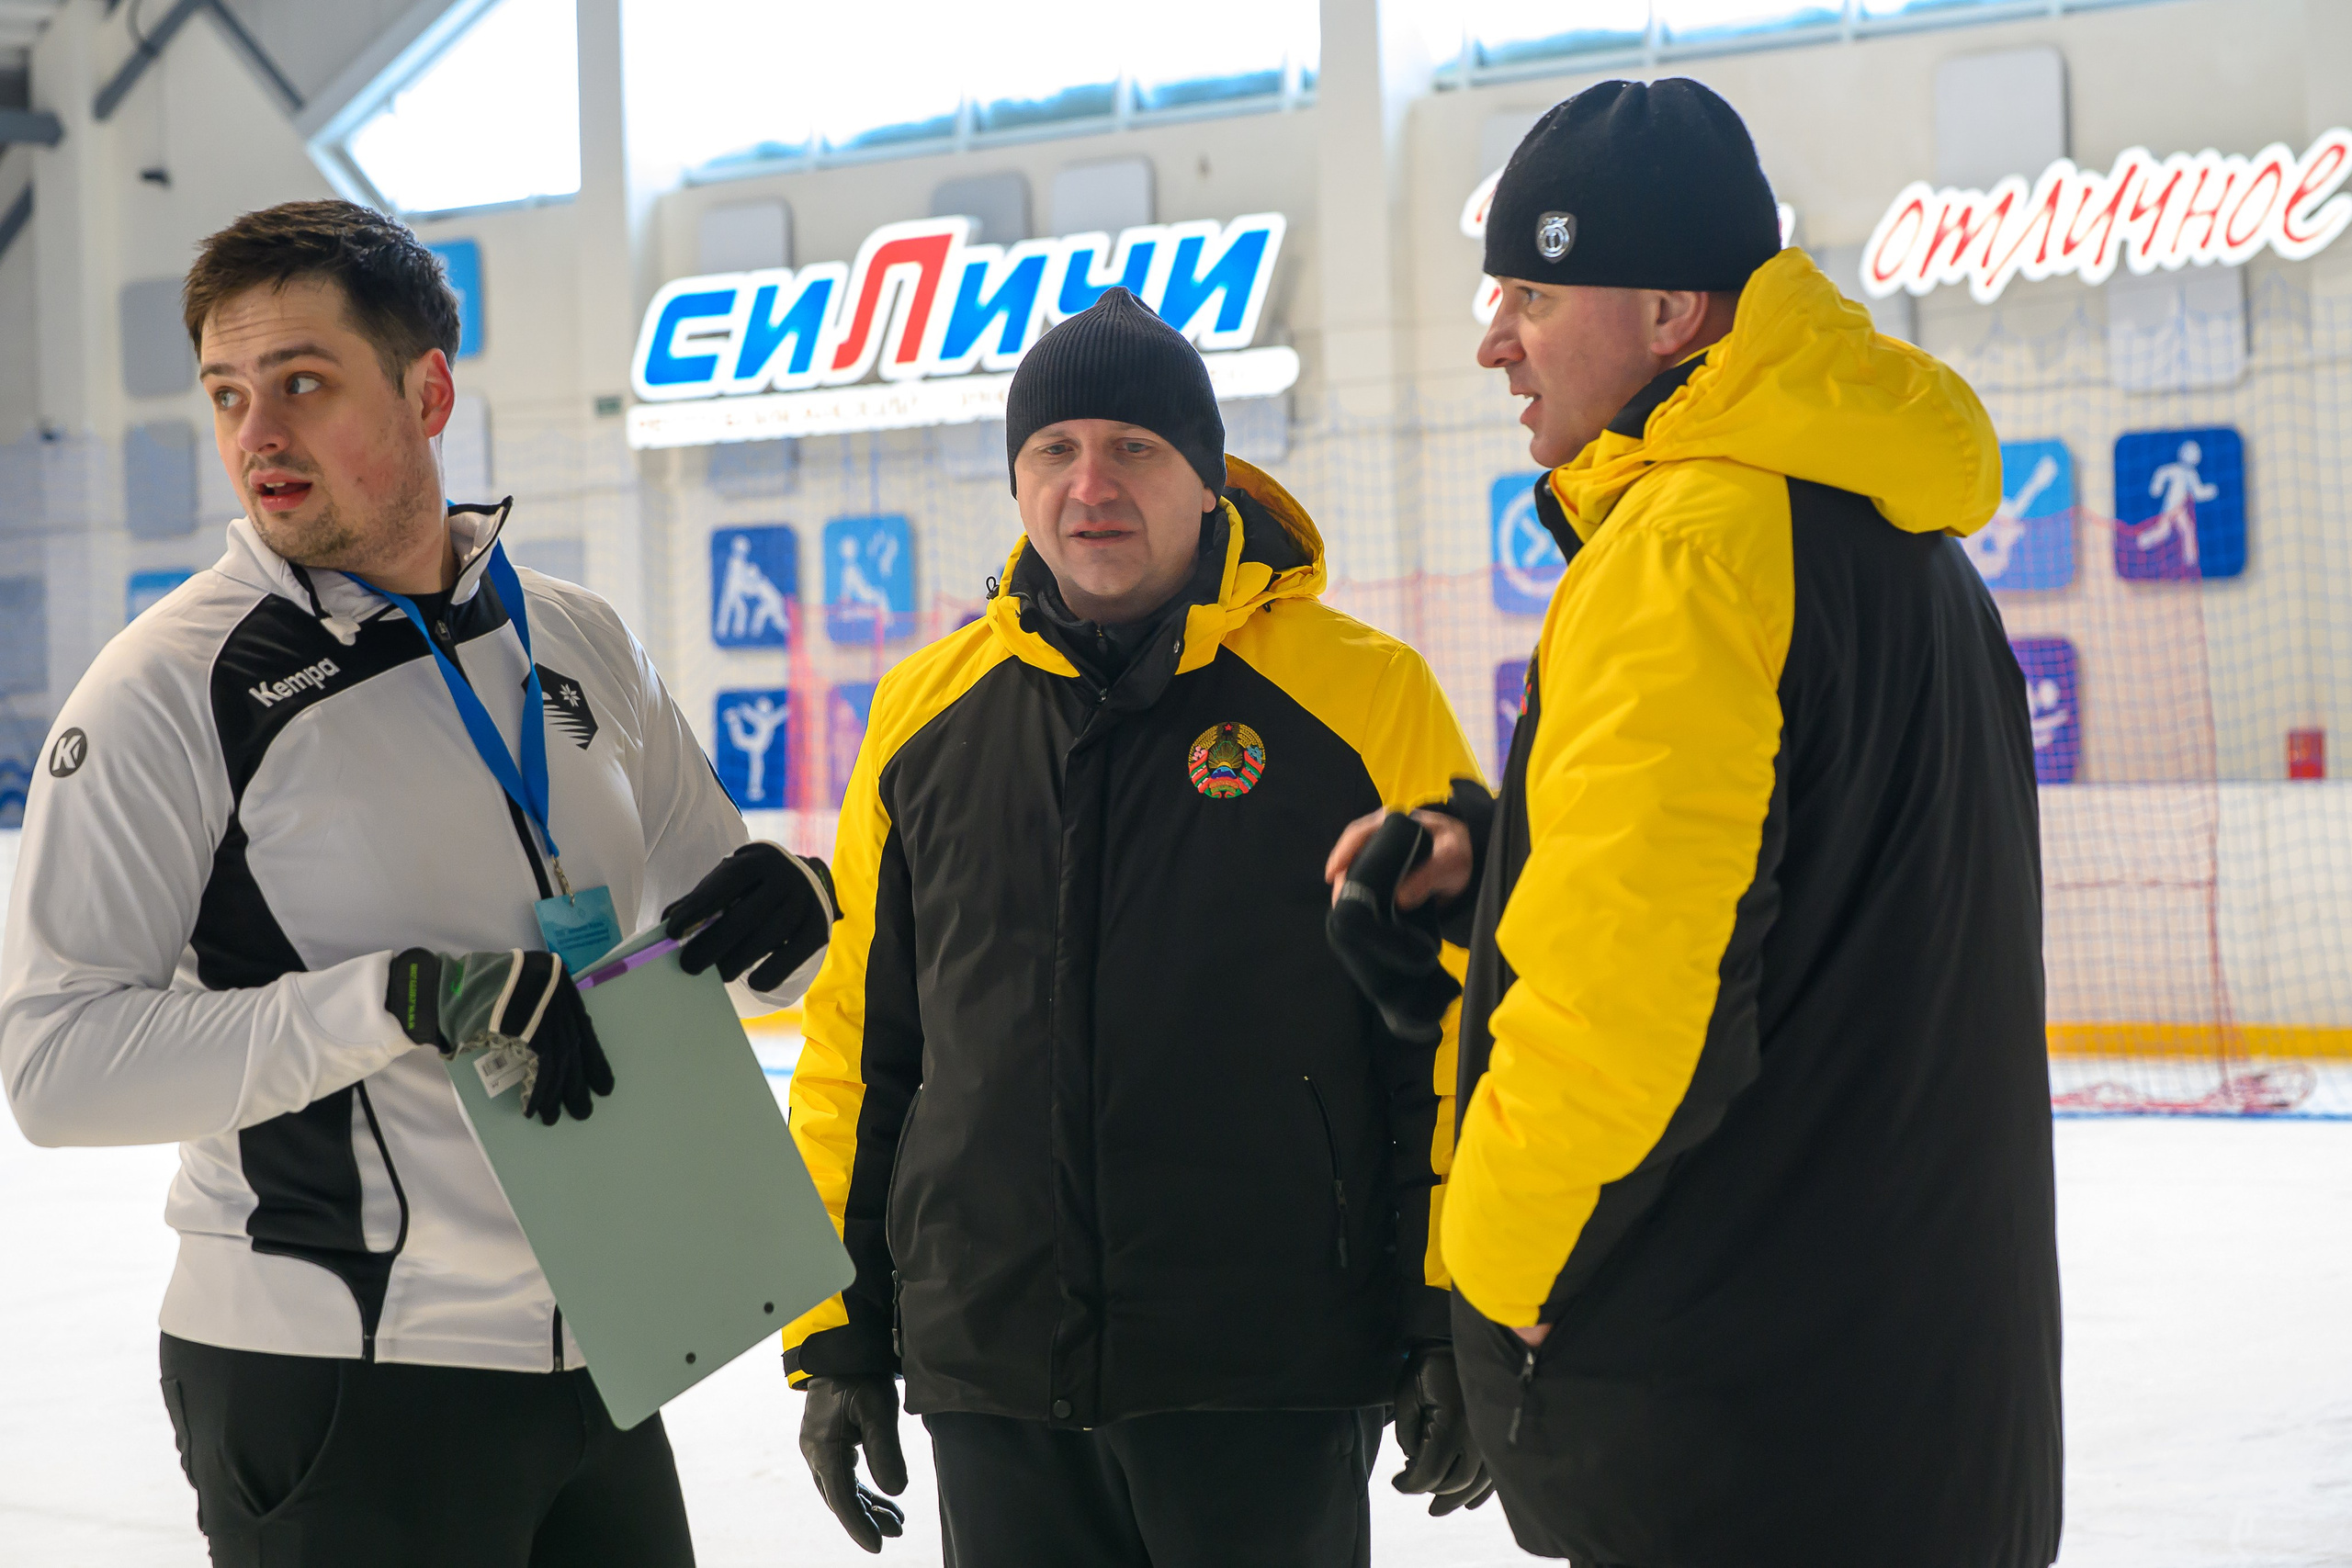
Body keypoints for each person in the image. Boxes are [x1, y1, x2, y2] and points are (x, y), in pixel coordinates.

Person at [0, 200, 838, 1568]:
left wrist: (798, 900)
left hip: (606, 1340)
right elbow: (55, 1065)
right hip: (339, 1376)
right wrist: (394, 1001)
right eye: (228, 393)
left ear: (429, 388)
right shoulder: (170, 691)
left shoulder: (573, 635)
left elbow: (735, 928)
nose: (257, 434)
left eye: (304, 384)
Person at [1329, 80, 2062, 1567]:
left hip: (1741, 1430)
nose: (1493, 339)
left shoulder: (1694, 549)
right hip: (1914, 1406)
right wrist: (1500, 864)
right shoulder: (1896, 541)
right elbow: (1803, 908)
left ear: (1673, 312)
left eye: (1532, 291)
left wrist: (1492, 1274)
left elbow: (1622, 1016)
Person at [781, 288, 1493, 1566]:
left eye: (1136, 449)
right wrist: (834, 1330)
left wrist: (1450, 1311)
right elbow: (860, 1047)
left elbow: (1450, 1039)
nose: (1090, 484)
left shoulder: (1362, 699)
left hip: (1264, 1362)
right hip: (992, 1363)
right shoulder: (922, 715)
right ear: (1016, 482)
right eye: (1054, 450)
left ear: (1210, 482)